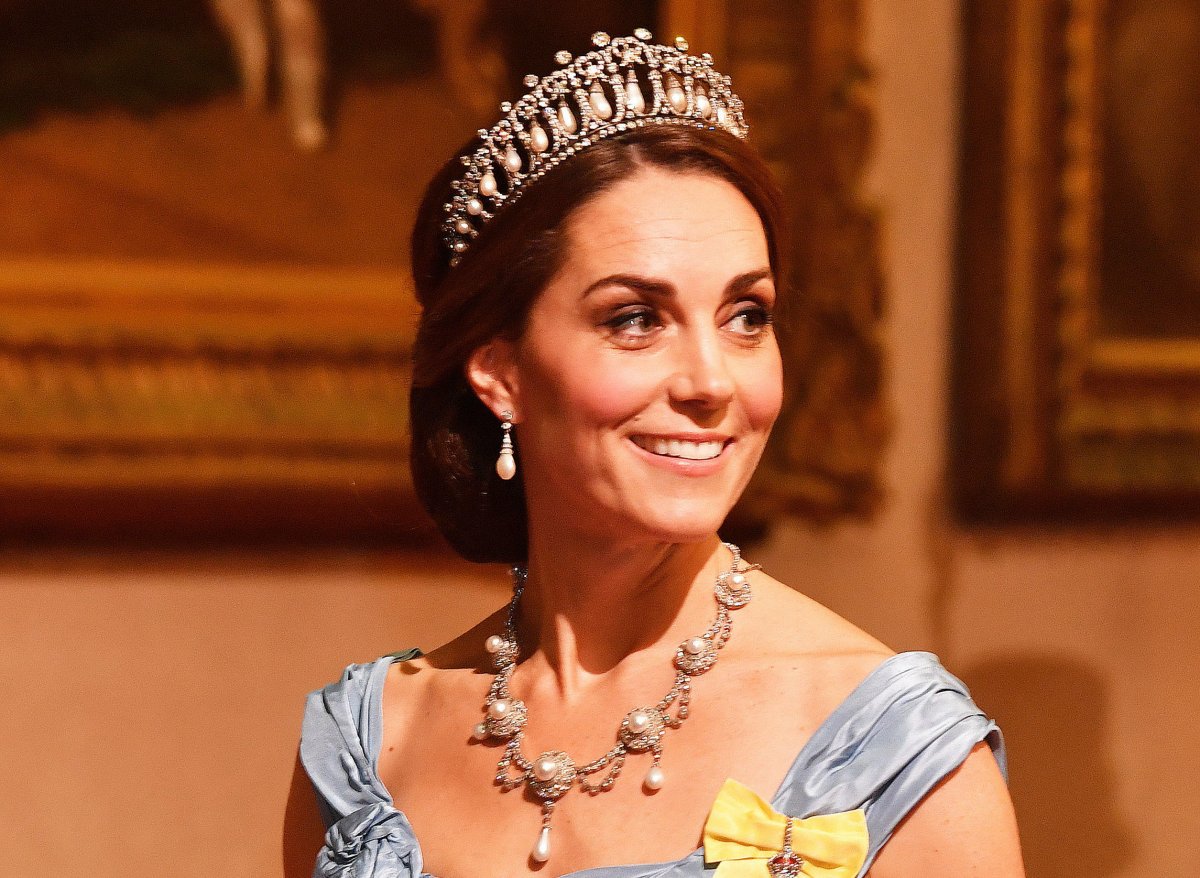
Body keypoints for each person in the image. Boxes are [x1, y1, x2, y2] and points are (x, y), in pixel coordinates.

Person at [284, 30, 1024, 878]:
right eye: (636, 318)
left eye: (747, 316)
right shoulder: (368, 751)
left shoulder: (901, 757)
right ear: (499, 371)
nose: (711, 381)